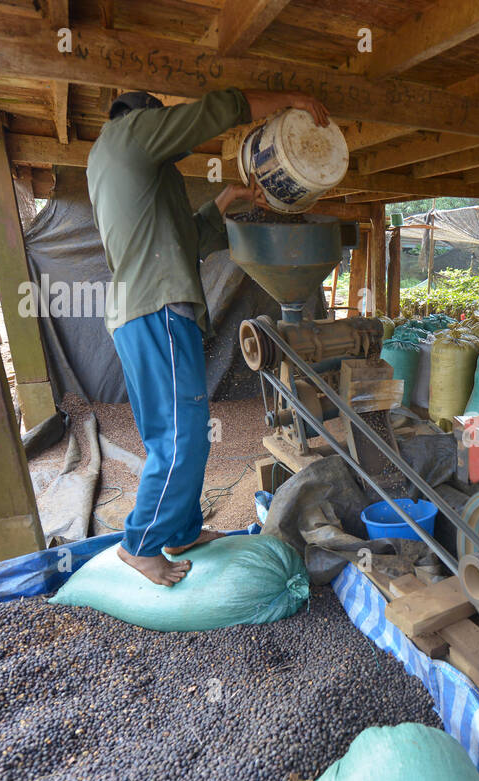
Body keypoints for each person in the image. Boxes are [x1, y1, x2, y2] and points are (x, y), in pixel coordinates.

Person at [88, 86, 330, 586]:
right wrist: (282, 102)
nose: (176, 145)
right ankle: (141, 544)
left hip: (146, 309)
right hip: (157, 308)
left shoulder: (133, 173)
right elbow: (206, 114)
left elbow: (188, 240)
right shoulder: (127, 136)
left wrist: (229, 198)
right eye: (165, 130)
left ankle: (178, 531)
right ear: (146, 120)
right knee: (180, 436)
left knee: (180, 432)